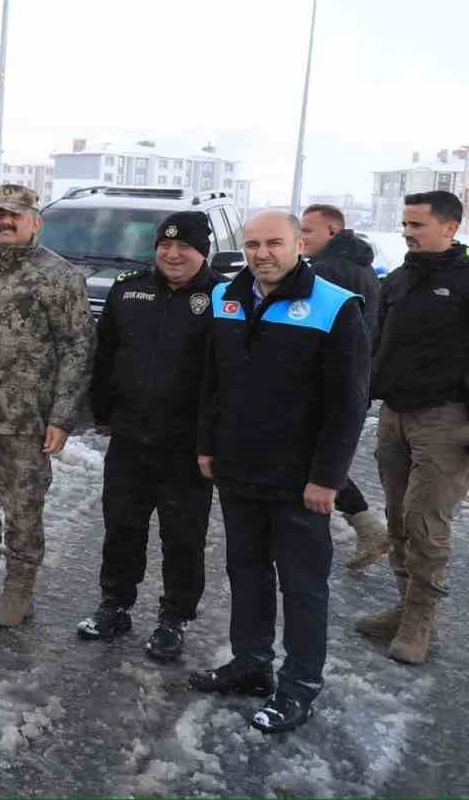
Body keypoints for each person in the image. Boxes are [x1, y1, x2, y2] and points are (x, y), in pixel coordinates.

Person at [190, 211, 369, 735]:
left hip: (300, 479)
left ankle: (299, 686)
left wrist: (328, 478)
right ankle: (251, 663)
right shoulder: (228, 298)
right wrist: (207, 446)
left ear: (298, 244)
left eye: (273, 242)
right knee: (246, 572)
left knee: (303, 585)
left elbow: (348, 404)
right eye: (252, 244)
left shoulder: (334, 306)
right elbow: (211, 383)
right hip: (239, 467)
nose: (261, 253)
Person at [0, 184, 94, 627]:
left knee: (23, 509)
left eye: (16, 215)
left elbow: (79, 348)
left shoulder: (60, 276)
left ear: (35, 221)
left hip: (25, 420)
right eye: (0, 214)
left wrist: (63, 417)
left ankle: (20, 592)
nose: (6, 221)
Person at [77, 211, 221, 661]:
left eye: (185, 247)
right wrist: (102, 412)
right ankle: (115, 606)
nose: (173, 254)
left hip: (188, 447)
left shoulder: (225, 297)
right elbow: (105, 356)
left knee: (183, 536)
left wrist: (215, 440)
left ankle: (174, 618)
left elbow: (232, 376)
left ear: (204, 252)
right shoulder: (128, 289)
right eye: (165, 246)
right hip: (131, 436)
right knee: (122, 527)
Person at [356, 191, 469, 664]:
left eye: (418, 225)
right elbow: (378, 342)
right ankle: (404, 602)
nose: (408, 232)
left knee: (427, 521)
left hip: (447, 418)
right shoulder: (400, 279)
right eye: (405, 224)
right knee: (400, 515)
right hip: (394, 414)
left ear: (450, 227)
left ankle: (421, 617)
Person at [301, 203, 389, 568]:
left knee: (313, 457)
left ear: (332, 232)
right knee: (318, 456)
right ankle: (367, 527)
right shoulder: (361, 267)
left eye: (308, 231)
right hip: (350, 379)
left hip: (327, 383)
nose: (301, 238)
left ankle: (366, 528)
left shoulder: (328, 271)